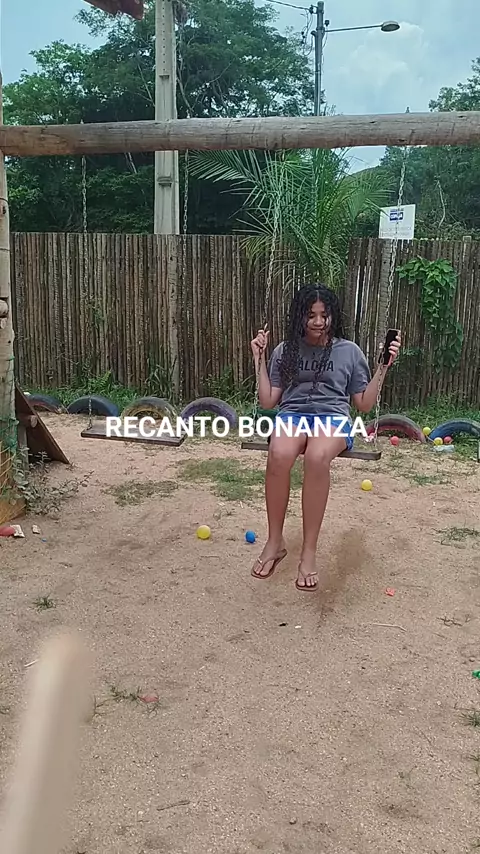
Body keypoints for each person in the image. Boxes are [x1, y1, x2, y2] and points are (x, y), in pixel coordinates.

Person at [249, 282, 401, 592]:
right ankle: (275, 542)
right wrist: (259, 359)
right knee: (278, 454)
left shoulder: (349, 352)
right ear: (300, 317)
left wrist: (383, 367)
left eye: (324, 314)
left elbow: (363, 404)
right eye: (311, 315)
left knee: (317, 457)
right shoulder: (285, 350)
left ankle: (308, 552)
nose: (318, 322)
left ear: (333, 315)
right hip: (293, 415)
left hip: (333, 417)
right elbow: (268, 400)